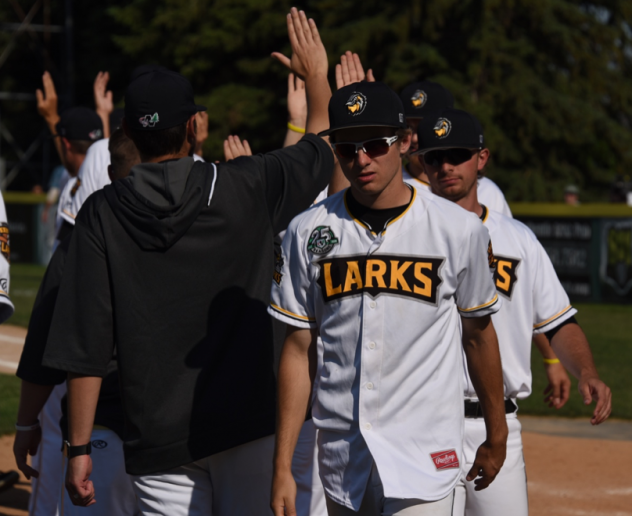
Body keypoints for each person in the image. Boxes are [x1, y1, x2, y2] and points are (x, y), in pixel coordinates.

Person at [42, 9, 334, 515]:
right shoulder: (245, 184)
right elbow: (324, 148)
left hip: (157, 437)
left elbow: (86, 345)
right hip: (250, 426)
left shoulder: (102, 212)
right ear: (193, 126)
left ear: (129, 130)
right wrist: (317, 79)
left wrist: (80, 446)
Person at [269, 75, 509, 516]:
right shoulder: (308, 231)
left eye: (375, 143)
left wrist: (497, 434)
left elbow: (479, 335)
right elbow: (298, 348)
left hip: (425, 458)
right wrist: (282, 463)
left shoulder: (458, 230)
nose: (360, 159)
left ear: (403, 142)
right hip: (344, 462)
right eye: (346, 147)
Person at [415, 107, 612, 516]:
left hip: (497, 425)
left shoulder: (517, 239)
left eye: (457, 154)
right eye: (434, 157)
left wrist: (586, 371)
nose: (445, 166)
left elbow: (558, 321)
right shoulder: (407, 233)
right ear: (422, 163)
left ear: (481, 159)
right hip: (422, 423)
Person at [14, 128, 141, 516]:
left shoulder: (86, 234)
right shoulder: (201, 219)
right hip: (185, 436)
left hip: (104, 425)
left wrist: (24, 424)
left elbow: (43, 336)